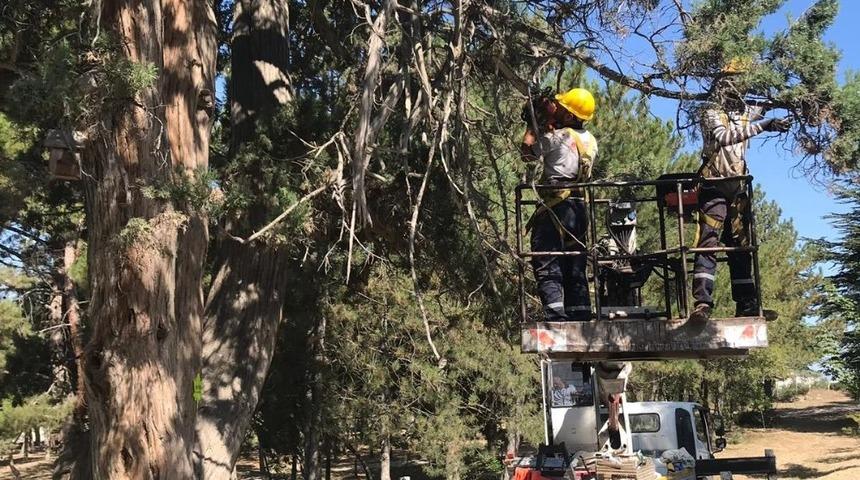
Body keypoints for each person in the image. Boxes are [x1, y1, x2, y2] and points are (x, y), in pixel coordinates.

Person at [689, 66, 790, 323]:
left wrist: (789, 90)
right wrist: (765, 125)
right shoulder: (710, 111)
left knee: (741, 246)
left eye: (741, 84)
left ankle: (747, 303)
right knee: (708, 242)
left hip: (737, 189)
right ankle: (702, 303)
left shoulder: (743, 111)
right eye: (733, 84)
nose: (738, 89)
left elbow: (767, 104)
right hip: (713, 185)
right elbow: (724, 137)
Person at [521, 88, 598, 321]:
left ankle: (555, 315)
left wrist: (535, 123)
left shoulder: (557, 138)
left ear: (570, 116)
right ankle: (581, 315)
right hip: (578, 207)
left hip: (556, 205)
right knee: (575, 263)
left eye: (563, 108)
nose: (559, 109)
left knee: (546, 257)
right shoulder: (591, 140)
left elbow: (527, 154)